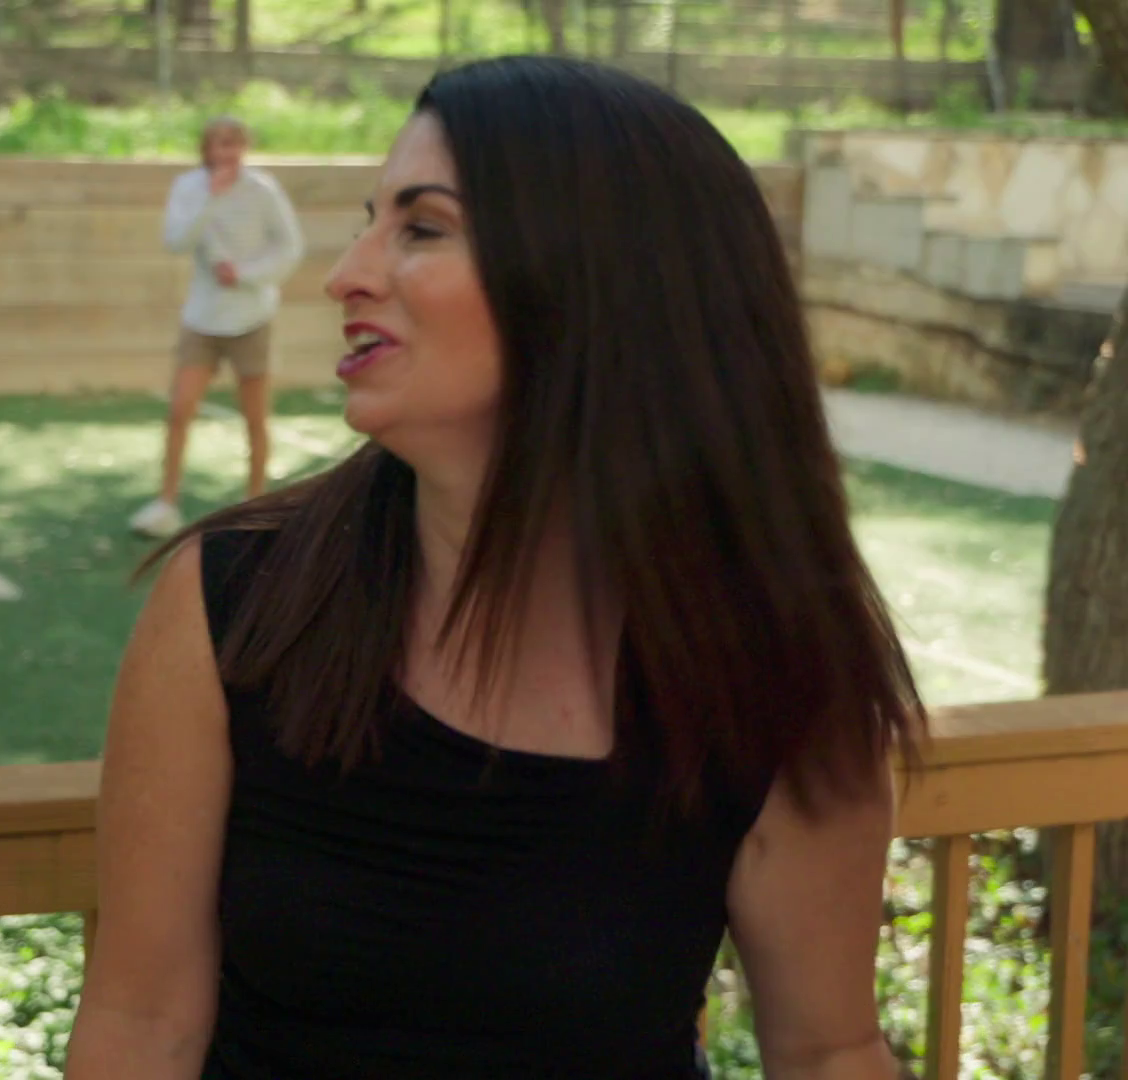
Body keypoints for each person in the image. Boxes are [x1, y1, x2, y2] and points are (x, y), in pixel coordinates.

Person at [68, 56, 927, 1080]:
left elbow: (829, 1049)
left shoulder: (780, 668)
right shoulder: (231, 603)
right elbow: (140, 1025)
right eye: (371, 222)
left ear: (596, 285)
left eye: (423, 228)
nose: (347, 273)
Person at [128, 116, 305, 540]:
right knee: (180, 410)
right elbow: (175, 241)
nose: (228, 153)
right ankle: (166, 503)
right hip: (202, 318)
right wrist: (211, 198)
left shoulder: (263, 189)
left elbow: (290, 247)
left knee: (255, 417)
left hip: (252, 317)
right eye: (220, 144)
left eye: (235, 144)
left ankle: (256, 505)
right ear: (206, 148)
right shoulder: (188, 188)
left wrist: (245, 274)